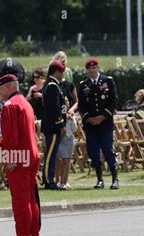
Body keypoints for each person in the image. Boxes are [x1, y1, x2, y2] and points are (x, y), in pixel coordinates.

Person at [0, 75, 41, 236]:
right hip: (31, 154)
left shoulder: (10, 105)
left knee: (20, 201)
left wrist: (10, 158)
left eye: (0, 89)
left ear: (7, 87)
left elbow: (11, 136)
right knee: (31, 198)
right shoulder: (24, 102)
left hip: (20, 156)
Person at [70, 58, 119, 189]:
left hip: (105, 124)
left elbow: (113, 100)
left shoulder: (108, 81)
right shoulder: (84, 84)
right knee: (93, 152)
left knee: (108, 151)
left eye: (94, 68)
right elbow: (82, 105)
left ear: (98, 68)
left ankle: (115, 179)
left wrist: (102, 117)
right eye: (89, 69)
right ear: (87, 70)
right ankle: (100, 180)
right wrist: (88, 118)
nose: (92, 70)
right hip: (91, 125)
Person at [41, 60, 66, 190]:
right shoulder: (52, 85)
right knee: (50, 154)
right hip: (53, 126)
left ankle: (49, 178)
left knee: (51, 153)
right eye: (61, 72)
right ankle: (48, 180)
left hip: (52, 125)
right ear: (56, 72)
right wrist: (60, 125)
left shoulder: (52, 84)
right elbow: (54, 108)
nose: (62, 75)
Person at [55, 74, 78, 189]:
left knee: (67, 158)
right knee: (57, 159)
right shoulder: (53, 86)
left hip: (68, 133)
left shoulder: (69, 86)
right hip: (58, 131)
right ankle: (58, 181)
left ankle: (65, 181)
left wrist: (71, 114)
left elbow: (75, 128)